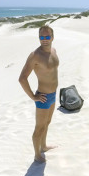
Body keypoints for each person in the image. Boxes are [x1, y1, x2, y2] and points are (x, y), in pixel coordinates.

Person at [19, 25, 59, 163]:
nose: (44, 40)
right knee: (39, 128)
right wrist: (33, 96)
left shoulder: (53, 51)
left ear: (52, 37)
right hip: (43, 97)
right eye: (41, 37)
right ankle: (37, 155)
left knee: (47, 123)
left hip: (53, 94)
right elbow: (22, 78)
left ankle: (44, 146)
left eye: (47, 37)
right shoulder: (35, 55)